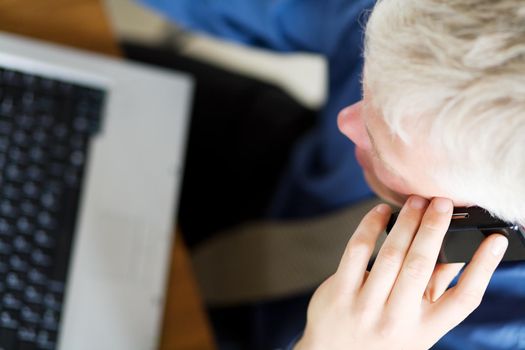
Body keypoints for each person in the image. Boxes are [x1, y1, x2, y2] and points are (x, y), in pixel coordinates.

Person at [139, 0, 525, 348]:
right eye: (367, 90)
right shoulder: (445, 25)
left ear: (491, 218)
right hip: (275, 175)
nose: (346, 121)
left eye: (380, 139)